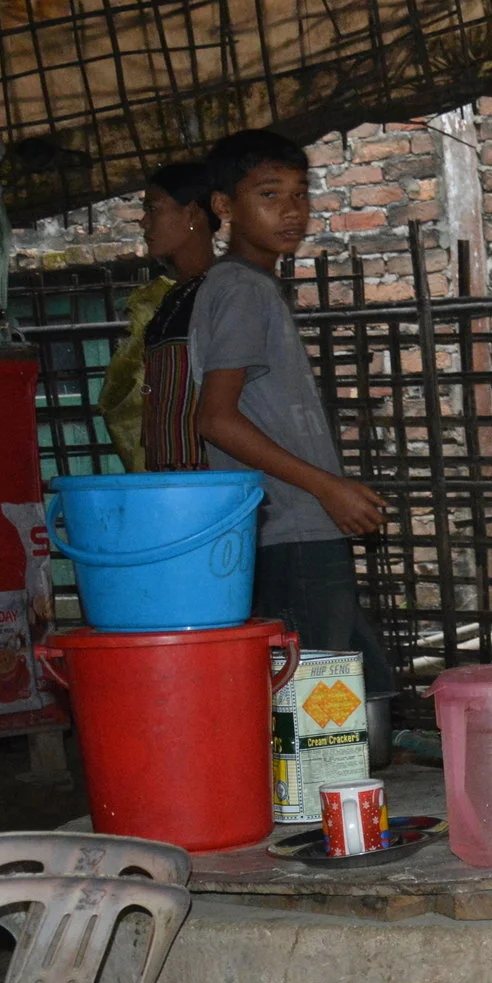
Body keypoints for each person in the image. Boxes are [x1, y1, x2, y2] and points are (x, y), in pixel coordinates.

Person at [191, 128, 394, 694]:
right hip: (290, 527)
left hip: (293, 526)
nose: (292, 211)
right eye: (270, 194)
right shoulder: (241, 290)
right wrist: (327, 487)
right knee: (312, 711)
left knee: (364, 696)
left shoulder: (250, 286)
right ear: (224, 206)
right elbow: (216, 418)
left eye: (301, 194)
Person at [97, 162, 217, 471]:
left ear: (191, 214)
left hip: (214, 483)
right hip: (173, 484)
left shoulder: (225, 293)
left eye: (153, 209)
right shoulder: (170, 298)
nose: (143, 222)